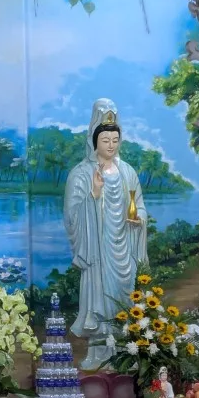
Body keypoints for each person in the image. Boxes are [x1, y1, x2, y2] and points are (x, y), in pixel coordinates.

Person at [63, 98, 148, 371]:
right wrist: (94, 195)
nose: (111, 145)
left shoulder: (128, 172)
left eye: (115, 140)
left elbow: (139, 206)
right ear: (94, 140)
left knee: (124, 301)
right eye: (105, 140)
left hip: (124, 248)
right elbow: (71, 216)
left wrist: (138, 218)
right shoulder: (81, 174)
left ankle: (124, 352)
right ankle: (98, 352)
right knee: (99, 300)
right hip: (97, 251)